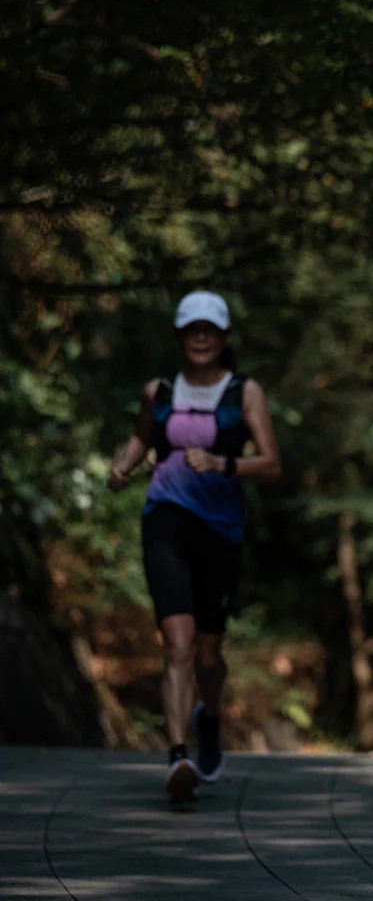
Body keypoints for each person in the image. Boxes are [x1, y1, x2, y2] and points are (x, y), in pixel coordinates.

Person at [107, 292, 281, 804]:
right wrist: (122, 467)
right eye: (191, 329)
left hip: (221, 530)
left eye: (210, 329)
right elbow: (140, 438)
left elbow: (271, 464)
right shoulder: (158, 390)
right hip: (165, 520)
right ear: (180, 337)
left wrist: (223, 464)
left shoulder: (244, 392)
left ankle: (209, 716)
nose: (200, 337)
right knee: (177, 645)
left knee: (208, 653)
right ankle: (178, 755)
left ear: (224, 337)